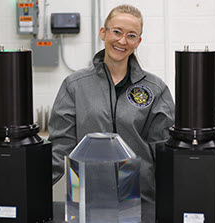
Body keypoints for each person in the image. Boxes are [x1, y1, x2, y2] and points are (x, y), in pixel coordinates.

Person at [48, 3, 174, 213]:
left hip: (139, 200)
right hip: (87, 198)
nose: (122, 41)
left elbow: (162, 151)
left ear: (138, 41)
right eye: (117, 32)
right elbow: (61, 147)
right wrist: (28, 189)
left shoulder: (155, 89)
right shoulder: (75, 85)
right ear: (103, 33)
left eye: (131, 35)